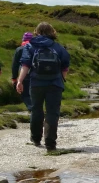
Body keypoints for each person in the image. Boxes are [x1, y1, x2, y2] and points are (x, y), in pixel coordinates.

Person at [16, 22, 70, 152]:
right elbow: (65, 67)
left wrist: (20, 81)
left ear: (37, 32)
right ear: (52, 32)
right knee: (52, 112)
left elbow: (25, 65)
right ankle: (50, 143)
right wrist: (62, 79)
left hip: (36, 83)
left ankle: (35, 138)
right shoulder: (58, 47)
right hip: (55, 84)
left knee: (36, 110)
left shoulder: (30, 46)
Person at [11, 32, 34, 112]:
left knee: (25, 94)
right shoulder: (36, 48)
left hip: (24, 74)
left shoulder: (19, 49)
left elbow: (14, 65)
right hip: (36, 74)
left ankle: (32, 110)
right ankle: (37, 110)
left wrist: (14, 78)